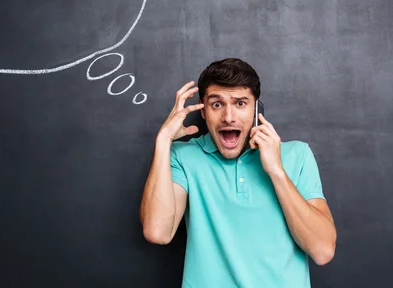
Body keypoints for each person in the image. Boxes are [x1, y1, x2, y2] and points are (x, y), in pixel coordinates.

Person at [139, 58, 336, 288]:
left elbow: (322, 251)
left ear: (256, 107)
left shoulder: (296, 154)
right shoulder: (182, 156)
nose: (228, 117)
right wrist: (163, 140)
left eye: (240, 103)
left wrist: (276, 171)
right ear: (202, 110)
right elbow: (157, 232)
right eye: (217, 104)